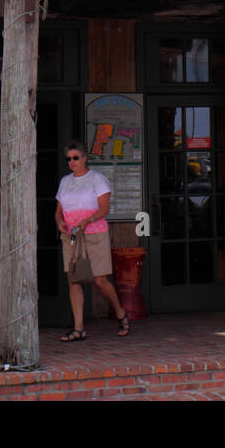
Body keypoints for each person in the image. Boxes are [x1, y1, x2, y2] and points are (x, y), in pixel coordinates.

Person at [55, 140, 130, 340]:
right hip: (72, 236)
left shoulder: (97, 179)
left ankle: (120, 312)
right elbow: (58, 211)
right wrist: (60, 223)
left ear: (84, 158)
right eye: (69, 159)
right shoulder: (65, 182)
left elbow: (104, 209)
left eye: (76, 158)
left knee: (99, 280)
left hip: (94, 233)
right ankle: (79, 328)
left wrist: (88, 220)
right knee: (74, 281)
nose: (72, 162)